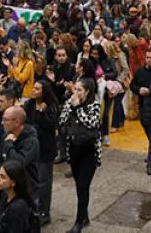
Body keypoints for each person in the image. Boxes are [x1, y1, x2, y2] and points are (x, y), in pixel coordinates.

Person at [58, 78, 100, 233]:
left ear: (87, 91)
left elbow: (91, 123)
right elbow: (61, 121)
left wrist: (77, 108)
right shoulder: (70, 102)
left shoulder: (94, 104)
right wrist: (70, 106)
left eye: (80, 90)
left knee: (83, 186)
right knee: (79, 186)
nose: (76, 93)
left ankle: (78, 222)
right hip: (74, 150)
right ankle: (84, 215)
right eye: (75, 89)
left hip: (89, 152)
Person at [23, 81, 58, 225]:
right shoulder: (29, 104)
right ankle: (33, 209)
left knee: (44, 182)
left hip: (45, 150)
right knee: (31, 181)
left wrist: (41, 112)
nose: (33, 90)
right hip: (32, 149)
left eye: (37, 89)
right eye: (34, 88)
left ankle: (44, 211)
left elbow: (50, 125)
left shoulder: (50, 106)